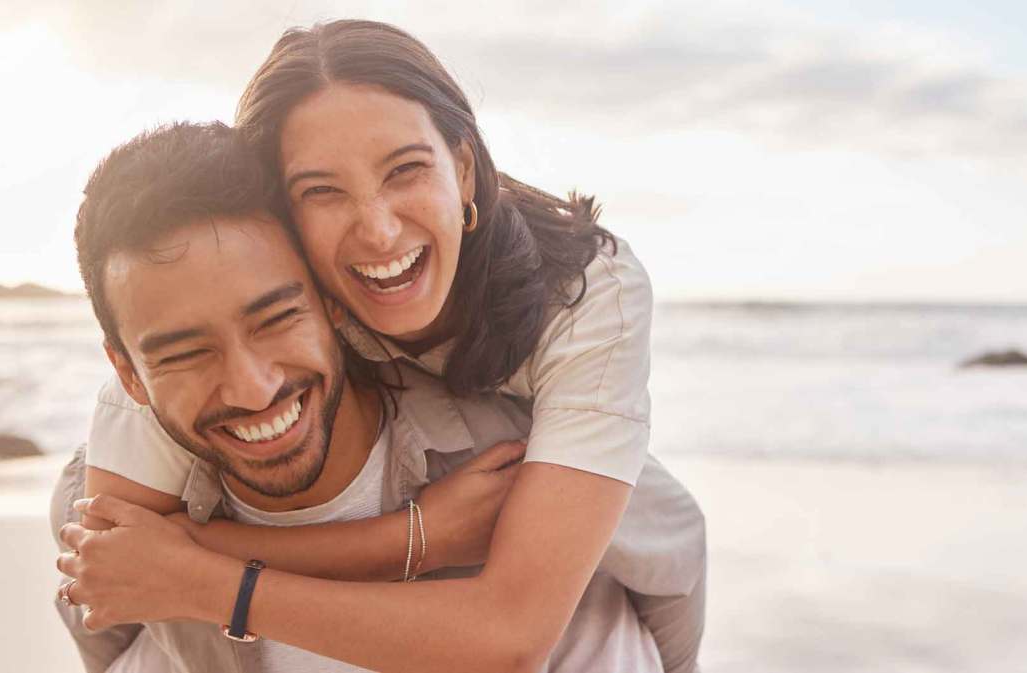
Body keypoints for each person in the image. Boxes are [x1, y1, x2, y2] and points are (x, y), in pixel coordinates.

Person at [62, 19, 706, 673]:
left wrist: (207, 577)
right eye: (322, 190)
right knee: (77, 504)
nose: (377, 229)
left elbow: (512, 631)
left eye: (405, 170)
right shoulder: (255, 292)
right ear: (281, 215)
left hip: (574, 479)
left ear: (461, 167)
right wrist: (407, 538)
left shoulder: (587, 292)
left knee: (658, 528)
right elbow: (114, 558)